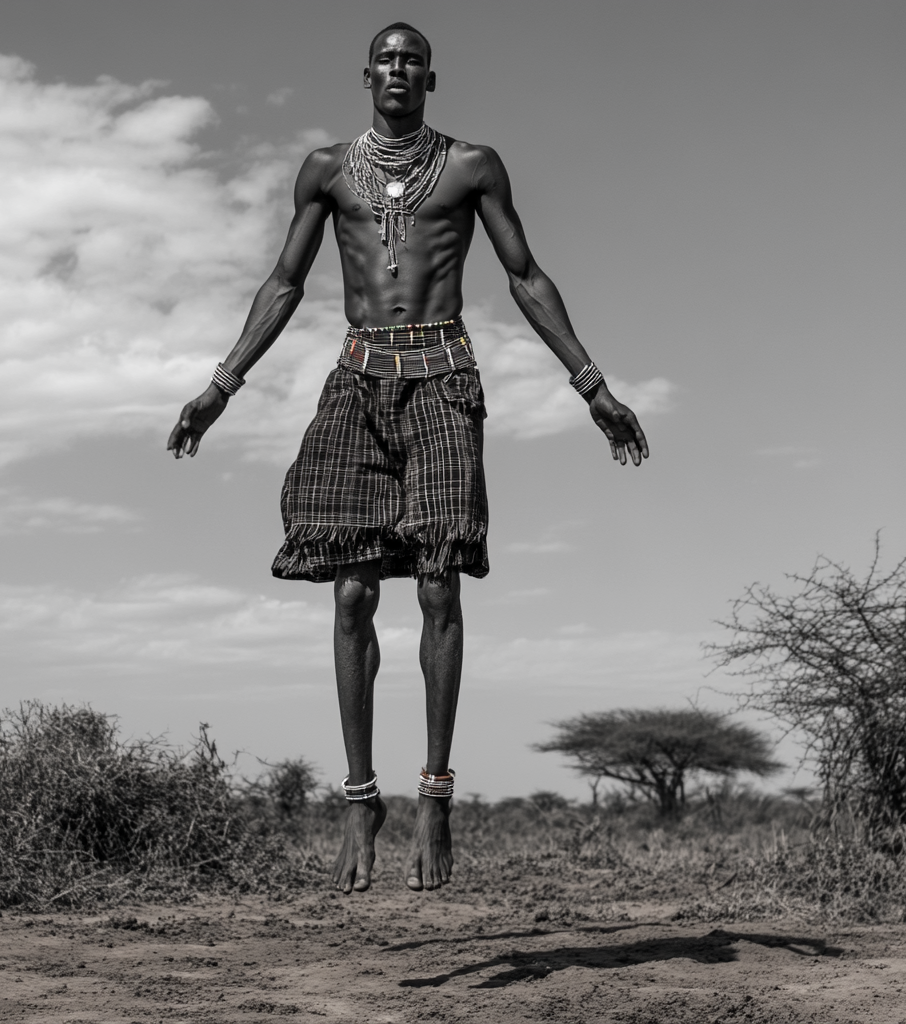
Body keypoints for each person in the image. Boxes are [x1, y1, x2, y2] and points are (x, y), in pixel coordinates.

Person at [167, 22, 648, 894]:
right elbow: (283, 283)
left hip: (442, 380)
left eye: (412, 59)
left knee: (436, 584)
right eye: (386, 59)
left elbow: (526, 276)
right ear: (366, 76)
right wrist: (220, 386)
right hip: (357, 379)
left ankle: (434, 793)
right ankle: (360, 797)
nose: (398, 69)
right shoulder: (325, 169)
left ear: (432, 76)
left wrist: (593, 387)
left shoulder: (472, 165)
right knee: (351, 589)